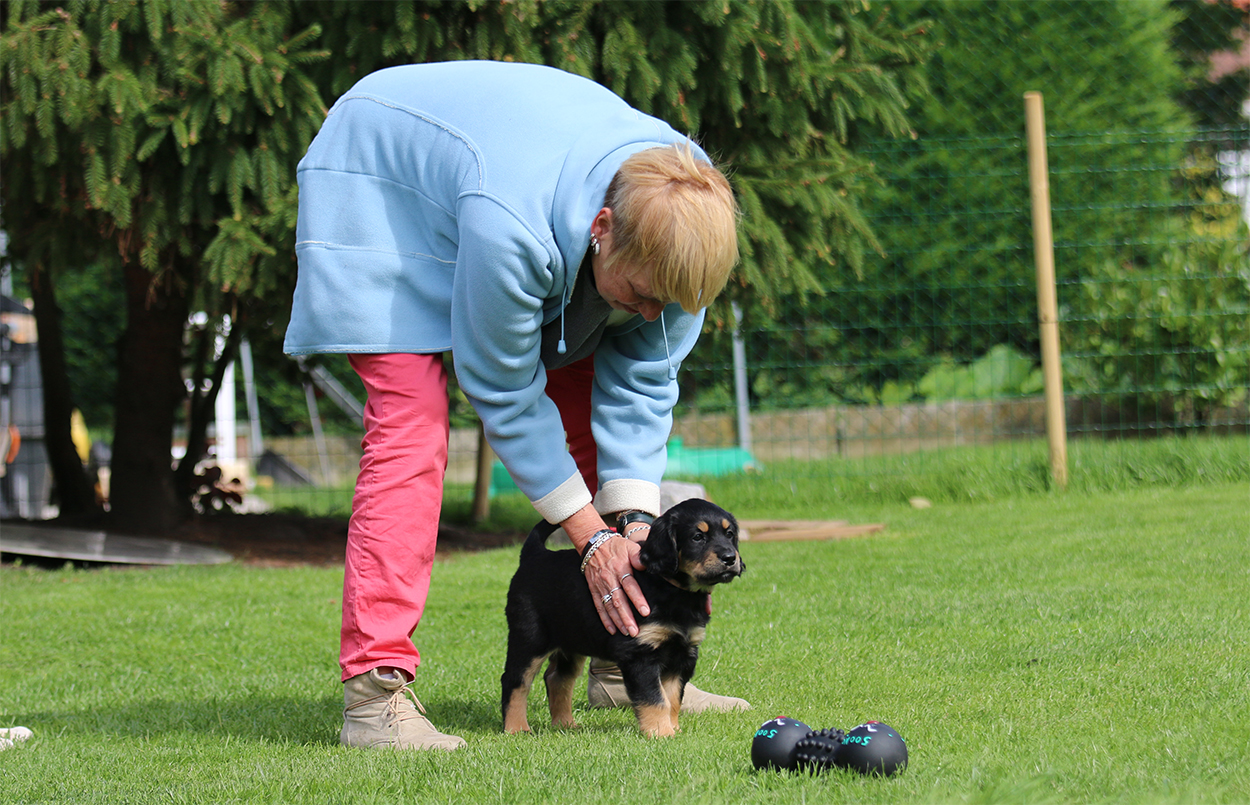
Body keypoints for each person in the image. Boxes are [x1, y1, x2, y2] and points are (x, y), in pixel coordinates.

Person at [284, 60, 747, 751]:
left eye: (670, 302)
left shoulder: (686, 231)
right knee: (413, 426)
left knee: (589, 397)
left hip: (509, 192)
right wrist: (590, 537)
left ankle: (623, 658)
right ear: (602, 227)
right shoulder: (515, 227)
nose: (655, 313)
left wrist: (635, 526)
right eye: (643, 294)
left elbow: (643, 385)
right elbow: (502, 389)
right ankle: (374, 697)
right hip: (380, 180)